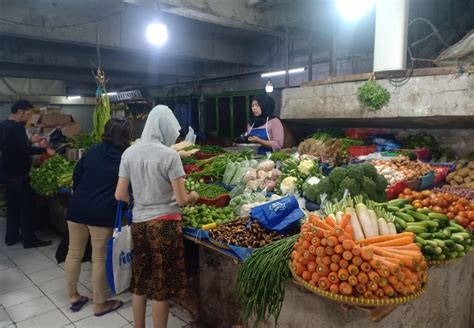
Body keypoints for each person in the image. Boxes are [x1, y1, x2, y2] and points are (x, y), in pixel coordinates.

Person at [115, 105, 199, 328]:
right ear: (163, 127)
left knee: (140, 281)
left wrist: (142, 200)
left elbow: (120, 194)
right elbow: (181, 200)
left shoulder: (129, 153)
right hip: (165, 225)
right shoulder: (169, 156)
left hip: (139, 224)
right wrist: (193, 196)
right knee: (161, 286)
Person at [64, 118, 132, 316]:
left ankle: (73, 297)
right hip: (101, 213)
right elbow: (128, 188)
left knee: (74, 253)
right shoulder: (125, 157)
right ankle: (100, 304)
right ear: (126, 135)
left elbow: (77, 176)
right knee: (99, 258)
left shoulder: (93, 151)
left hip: (77, 208)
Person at [1, 99, 55, 248]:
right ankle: (29, 240)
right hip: (20, 174)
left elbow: (14, 147)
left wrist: (30, 141)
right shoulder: (17, 127)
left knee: (13, 207)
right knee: (27, 208)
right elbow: (24, 151)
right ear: (20, 112)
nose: (28, 117)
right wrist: (45, 150)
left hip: (8, 173)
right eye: (27, 114)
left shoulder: (4, 125)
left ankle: (11, 237)